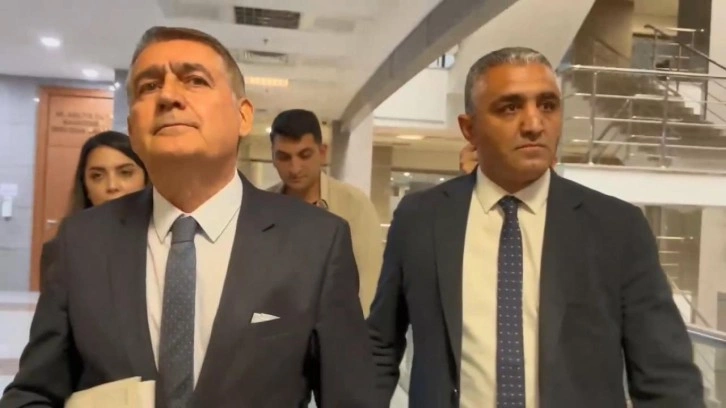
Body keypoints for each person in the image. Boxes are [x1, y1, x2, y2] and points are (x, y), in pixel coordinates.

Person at [1, 26, 374, 408]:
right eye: (148, 87)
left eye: (195, 80)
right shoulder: (82, 242)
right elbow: (33, 393)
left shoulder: (316, 242)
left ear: (243, 116)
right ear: (132, 128)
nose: (168, 96)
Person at [367, 47, 704, 408]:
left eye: (547, 105)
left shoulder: (617, 227)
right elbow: (380, 347)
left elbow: (665, 377)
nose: (533, 124)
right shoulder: (421, 218)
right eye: (510, 108)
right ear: (469, 129)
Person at [267, 109, 383, 316]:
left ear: (322, 152)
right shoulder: (262, 207)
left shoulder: (354, 206)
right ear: (273, 157)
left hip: (337, 328)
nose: (295, 168)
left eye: (304, 155)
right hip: (274, 329)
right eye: (284, 157)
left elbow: (369, 284)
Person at [39, 130, 148, 289]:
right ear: (86, 188)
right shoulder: (62, 251)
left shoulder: (169, 242)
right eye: (97, 176)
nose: (112, 186)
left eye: (125, 173)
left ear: (146, 179)